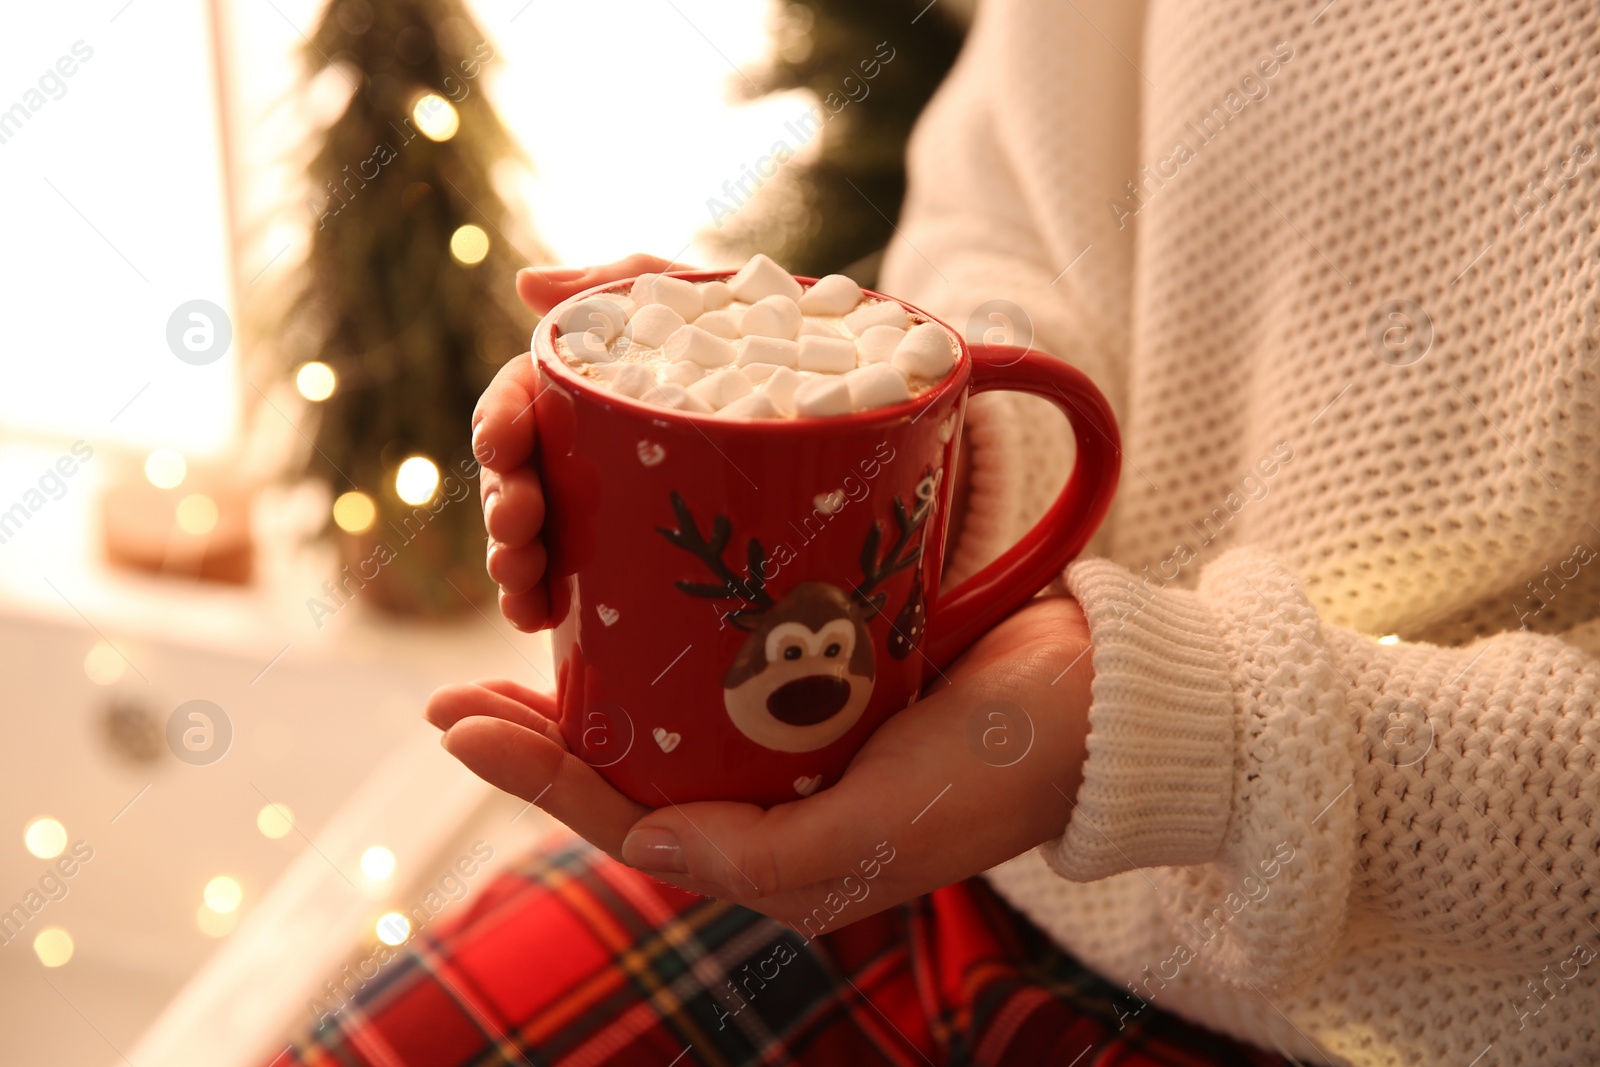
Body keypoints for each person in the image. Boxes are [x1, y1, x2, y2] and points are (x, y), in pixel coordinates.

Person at [272, 0, 1600, 1063]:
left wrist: (1180, 733)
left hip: (1399, 1013)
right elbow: (1013, 188)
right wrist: (907, 486)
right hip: (959, 843)